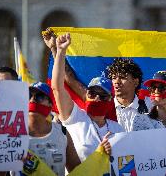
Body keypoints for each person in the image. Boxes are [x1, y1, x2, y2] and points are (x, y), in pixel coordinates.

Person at [51, 33, 124, 162]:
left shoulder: (117, 129)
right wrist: (61, 51)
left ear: (110, 100)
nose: (96, 99)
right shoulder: (75, 117)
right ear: (86, 96)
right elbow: (57, 87)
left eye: (102, 96)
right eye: (92, 94)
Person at [12, 82, 80, 176]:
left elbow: (77, 170)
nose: (32, 100)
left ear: (50, 104)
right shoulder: (11, 133)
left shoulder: (62, 133)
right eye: (28, 96)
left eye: (39, 97)